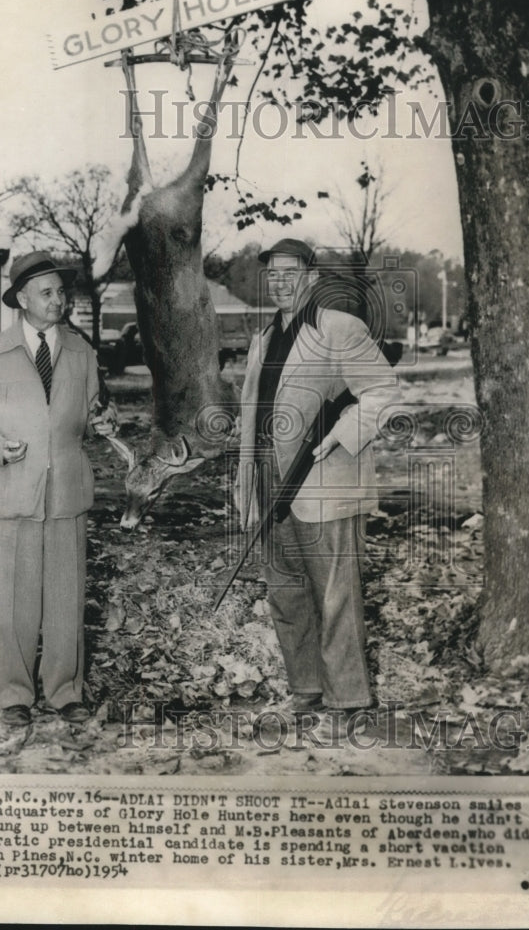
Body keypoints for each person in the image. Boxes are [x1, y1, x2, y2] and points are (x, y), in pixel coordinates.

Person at [236, 238, 400, 736]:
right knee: (287, 596)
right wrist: (247, 483)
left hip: (326, 485)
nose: (280, 282)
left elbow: (383, 393)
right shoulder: (264, 339)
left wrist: (339, 437)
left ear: (310, 276)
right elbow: (252, 417)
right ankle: (306, 691)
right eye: (272, 274)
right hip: (272, 489)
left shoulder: (339, 329)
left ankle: (348, 701)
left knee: (335, 598)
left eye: (290, 272)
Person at [0, 251, 108, 728]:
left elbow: (94, 410)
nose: (58, 300)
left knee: (65, 600)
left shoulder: (82, 352)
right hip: (12, 494)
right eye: (47, 292)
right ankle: (14, 694)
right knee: (14, 603)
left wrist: (103, 419)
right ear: (22, 299)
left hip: (67, 494)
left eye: (62, 291)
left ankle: (65, 691)